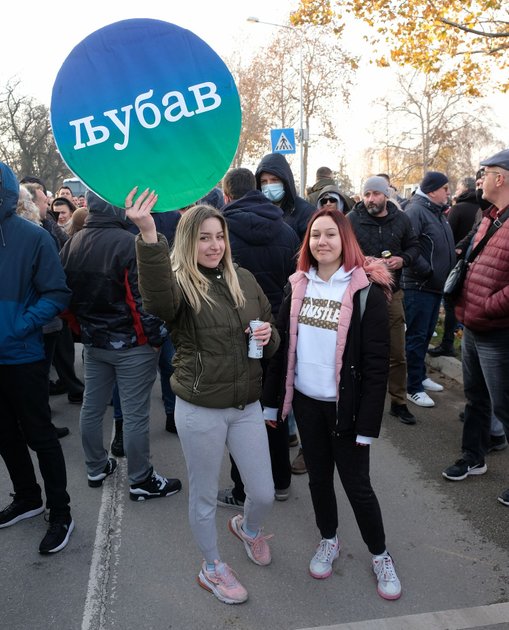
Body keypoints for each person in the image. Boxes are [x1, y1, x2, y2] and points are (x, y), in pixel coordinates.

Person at [127, 189, 280, 605]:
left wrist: (269, 336)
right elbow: (156, 300)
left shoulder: (244, 278)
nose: (214, 246)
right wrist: (147, 235)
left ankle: (247, 530)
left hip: (246, 404)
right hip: (199, 408)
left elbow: (271, 332)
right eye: (203, 238)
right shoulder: (179, 285)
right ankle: (211, 567)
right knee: (204, 495)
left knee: (263, 492)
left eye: (219, 236)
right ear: (187, 241)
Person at [262, 206, 401, 599]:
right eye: (315, 235)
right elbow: (282, 349)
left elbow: (377, 366)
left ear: (346, 241)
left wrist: (368, 426)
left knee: (358, 487)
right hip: (307, 404)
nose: (322, 242)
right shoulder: (297, 285)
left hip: (347, 411)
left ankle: (380, 554)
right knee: (319, 479)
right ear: (307, 242)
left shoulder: (365, 292)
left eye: (331, 235)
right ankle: (329, 538)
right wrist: (272, 404)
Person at [60, 190, 181, 501]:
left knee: (92, 406)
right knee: (135, 413)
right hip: (131, 344)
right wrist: (154, 339)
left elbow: (64, 298)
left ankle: (96, 466)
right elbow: (141, 301)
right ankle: (141, 479)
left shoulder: (71, 243)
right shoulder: (128, 243)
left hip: (94, 341)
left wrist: (81, 330)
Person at [0, 161, 74, 554]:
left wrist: (19, 325)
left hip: (23, 357)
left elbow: (58, 294)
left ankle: (60, 511)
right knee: (5, 436)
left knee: (40, 436)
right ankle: (27, 497)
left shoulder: (33, 237)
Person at [216, 166, 299, 508]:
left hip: (235, 332)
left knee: (241, 411)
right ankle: (280, 481)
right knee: (272, 406)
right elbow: (296, 281)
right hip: (276, 328)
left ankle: (241, 489)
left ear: (228, 195)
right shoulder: (286, 229)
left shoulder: (221, 234)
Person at [442, 149, 509, 508]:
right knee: (476, 399)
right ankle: (473, 457)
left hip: (497, 330)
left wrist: (486, 307)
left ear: (501, 178)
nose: (478, 179)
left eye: (484, 173)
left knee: (505, 406)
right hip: (472, 325)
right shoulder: (489, 216)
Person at [348, 176, 419, 424]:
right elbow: (343, 252)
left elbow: (413, 246)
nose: (371, 199)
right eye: (367, 194)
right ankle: (355, 399)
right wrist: (363, 263)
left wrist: (403, 260)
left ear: (385, 195)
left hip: (392, 294)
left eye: (375, 194)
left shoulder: (401, 219)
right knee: (356, 349)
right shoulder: (352, 220)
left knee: (397, 351)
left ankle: (398, 402)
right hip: (360, 294)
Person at [401, 171, 455, 407]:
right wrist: (428, 271)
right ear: (432, 190)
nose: (448, 192)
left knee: (423, 337)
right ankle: (413, 387)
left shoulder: (436, 211)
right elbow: (407, 245)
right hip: (419, 286)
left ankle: (420, 376)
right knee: (416, 337)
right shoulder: (415, 211)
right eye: (445, 188)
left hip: (433, 287)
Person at [429, 176, 480, 358]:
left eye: (457, 188)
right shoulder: (482, 208)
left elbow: (447, 236)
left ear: (464, 189)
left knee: (450, 304)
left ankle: (448, 342)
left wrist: (454, 251)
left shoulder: (458, 209)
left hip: (456, 263)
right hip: (472, 264)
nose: (453, 192)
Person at [255, 152, 315, 240]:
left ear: (285, 181)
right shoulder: (256, 210)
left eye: (274, 180)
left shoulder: (306, 212)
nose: (269, 185)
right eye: (264, 181)